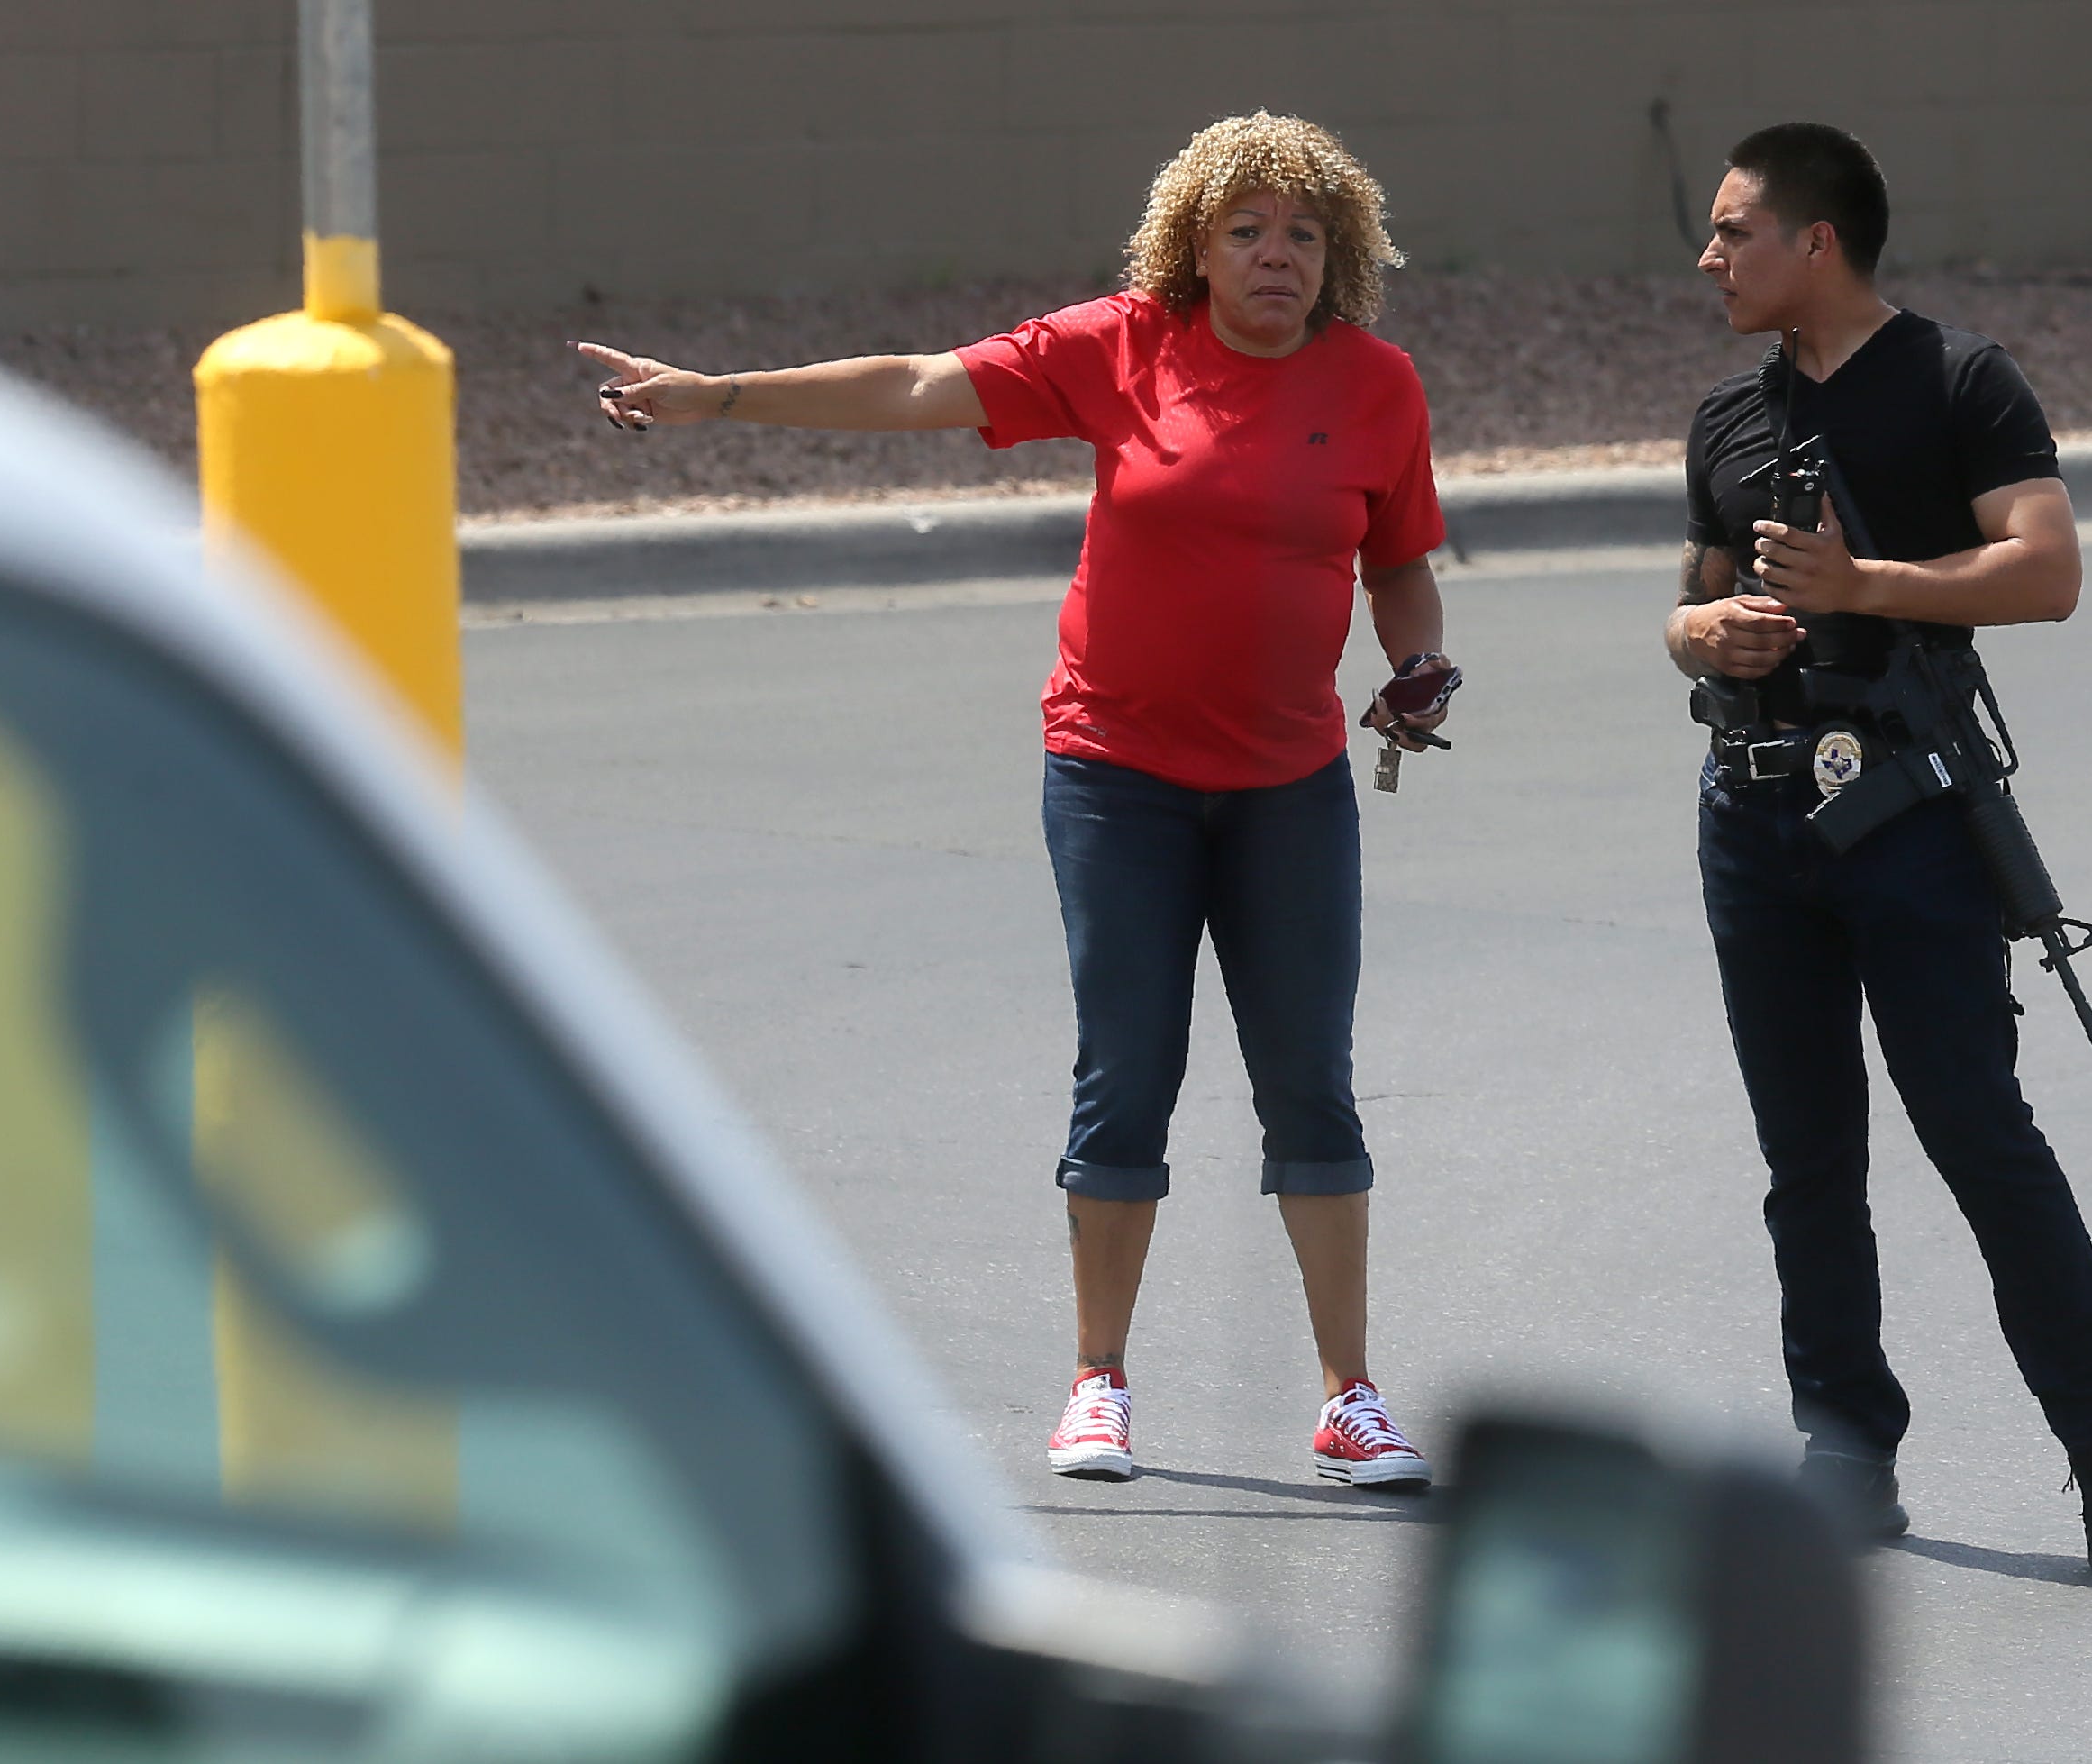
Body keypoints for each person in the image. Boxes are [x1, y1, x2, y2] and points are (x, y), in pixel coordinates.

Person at [575, 112, 1451, 1489]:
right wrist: (717, 395)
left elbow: (1399, 559)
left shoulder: (1379, 384)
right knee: (1128, 1073)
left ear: (1339, 253)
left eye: (1304, 234)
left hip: (1291, 784)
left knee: (1311, 1088)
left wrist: (1419, 663)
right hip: (1117, 776)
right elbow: (923, 383)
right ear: (1194, 247)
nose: (1278, 256)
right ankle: (1099, 1380)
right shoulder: (1123, 346)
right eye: (1247, 231)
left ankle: (1351, 1395)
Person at [1665, 122, 2092, 1571]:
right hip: (1753, 815)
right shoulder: (1727, 415)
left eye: (1732, 230)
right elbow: (1687, 603)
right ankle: (1844, 1443)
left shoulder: (1960, 379)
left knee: (1980, 1136)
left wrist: (1861, 584)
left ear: (1813, 240)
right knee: (1804, 1155)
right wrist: (1709, 629)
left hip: (1911, 820)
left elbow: (2048, 568)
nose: (1709, 257)